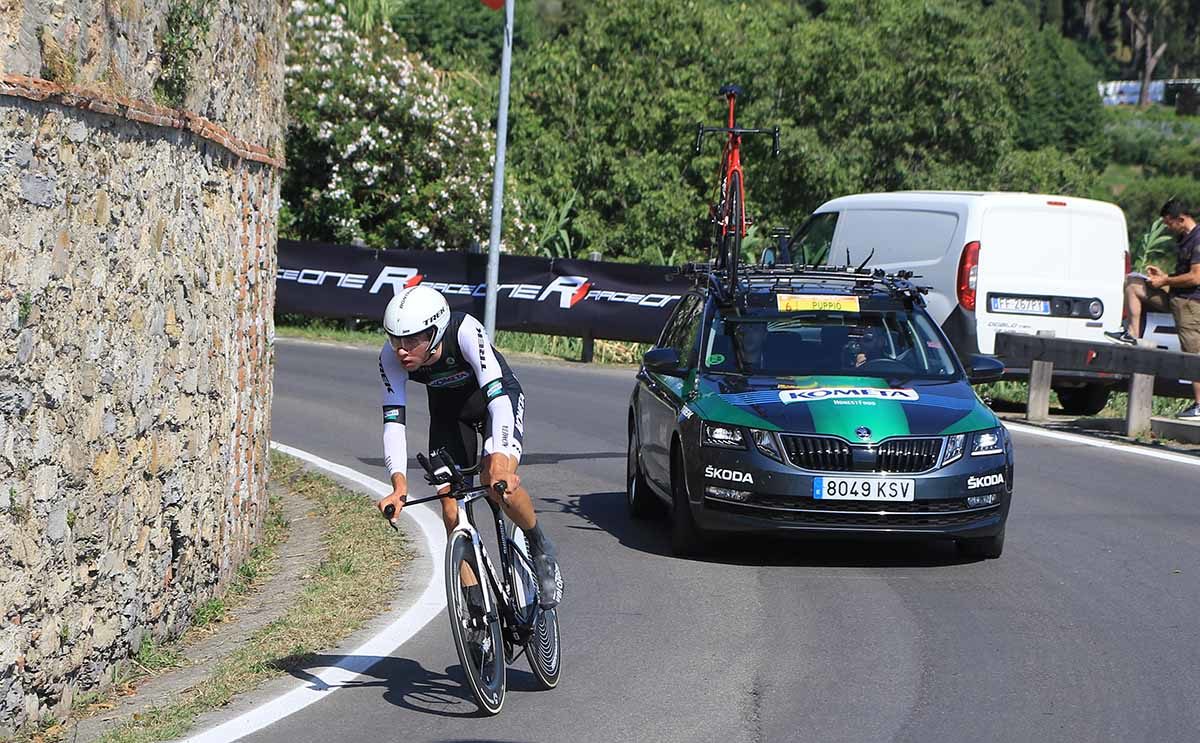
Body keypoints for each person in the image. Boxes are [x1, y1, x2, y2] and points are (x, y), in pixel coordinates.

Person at [374, 285, 564, 607]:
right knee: (450, 504)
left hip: (496, 400)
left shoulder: (464, 331)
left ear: (435, 333)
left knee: (495, 481)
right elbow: (394, 423)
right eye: (394, 339)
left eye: (410, 340)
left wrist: (501, 461)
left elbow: (499, 402)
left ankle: (540, 545)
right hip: (449, 416)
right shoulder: (390, 358)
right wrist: (398, 486)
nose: (400, 350)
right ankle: (475, 604)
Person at [1105, 199, 1200, 419]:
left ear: (1181, 219)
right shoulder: (1184, 238)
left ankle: (1199, 404)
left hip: (1190, 305)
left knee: (1193, 354)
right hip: (1177, 299)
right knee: (1133, 284)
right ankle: (1133, 335)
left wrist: (1166, 279)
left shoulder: (1197, 239)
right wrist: (1163, 277)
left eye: (1169, 223)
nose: (1167, 227)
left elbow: (1196, 276)